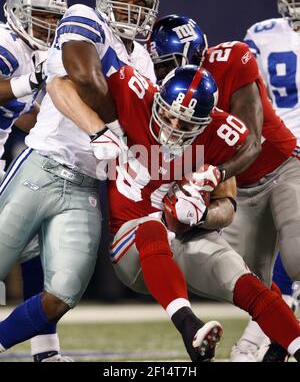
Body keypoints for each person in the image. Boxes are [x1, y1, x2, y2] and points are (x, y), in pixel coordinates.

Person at [47, 64, 300, 362]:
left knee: (247, 281)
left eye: (186, 124)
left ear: (205, 122)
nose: (173, 128)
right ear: (158, 101)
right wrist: (98, 130)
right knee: (151, 226)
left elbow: (228, 207)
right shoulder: (133, 95)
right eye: (168, 116)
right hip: (133, 246)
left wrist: (203, 212)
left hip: (185, 237)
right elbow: (58, 85)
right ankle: (188, 326)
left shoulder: (221, 134)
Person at [0, 0, 159, 359]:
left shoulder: (143, 60)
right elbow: (79, 77)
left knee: (63, 293)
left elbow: (30, 112)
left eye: (141, 7)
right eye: (125, 2)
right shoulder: (85, 19)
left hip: (88, 182)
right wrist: (111, 125)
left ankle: (40, 347)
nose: (132, 13)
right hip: (44, 165)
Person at [149, 14, 300, 362]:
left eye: (166, 65)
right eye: (158, 67)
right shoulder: (169, 92)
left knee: (295, 257)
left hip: (281, 167)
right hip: (238, 189)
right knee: (252, 284)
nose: (161, 75)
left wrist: (212, 175)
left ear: (192, 52)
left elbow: (252, 141)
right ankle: (283, 341)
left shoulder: (232, 58)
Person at [0, 0, 72, 362]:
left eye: (54, 17)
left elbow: (22, 115)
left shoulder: (36, 53)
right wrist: (32, 81)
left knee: (36, 247)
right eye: (42, 15)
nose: (49, 24)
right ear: (17, 10)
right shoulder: (6, 43)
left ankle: (46, 349)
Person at [229, 0, 300, 362]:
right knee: (272, 260)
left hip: (282, 158)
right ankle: (264, 341)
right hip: (277, 154)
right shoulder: (261, 33)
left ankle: (259, 344)